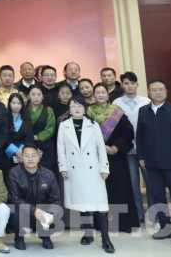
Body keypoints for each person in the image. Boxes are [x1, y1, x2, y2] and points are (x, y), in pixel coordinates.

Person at [136, 79, 171, 243]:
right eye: (154, 90)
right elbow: (140, 135)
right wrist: (141, 156)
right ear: (149, 93)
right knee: (157, 196)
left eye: (161, 89)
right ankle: (165, 228)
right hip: (151, 162)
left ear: (166, 91)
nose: (158, 92)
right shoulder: (143, 111)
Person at [57, 97, 113, 253]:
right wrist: (63, 167)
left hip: (93, 169)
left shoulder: (93, 125)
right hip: (74, 169)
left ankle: (106, 238)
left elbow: (100, 147)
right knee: (82, 203)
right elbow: (61, 148)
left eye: (80, 106)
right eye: (73, 106)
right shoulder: (64, 125)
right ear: (69, 109)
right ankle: (88, 233)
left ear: (85, 108)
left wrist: (104, 167)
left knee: (99, 204)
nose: (76, 109)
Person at [88, 83, 139, 232]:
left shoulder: (117, 112)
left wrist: (117, 146)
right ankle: (101, 224)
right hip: (96, 156)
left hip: (116, 156)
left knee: (120, 188)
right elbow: (87, 135)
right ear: (93, 95)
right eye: (97, 92)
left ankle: (122, 223)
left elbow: (128, 132)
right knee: (101, 189)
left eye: (103, 92)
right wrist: (103, 147)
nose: (101, 95)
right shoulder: (88, 112)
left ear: (108, 94)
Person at [112, 71, 151, 226]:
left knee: (151, 183)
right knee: (133, 184)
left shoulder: (146, 101)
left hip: (146, 149)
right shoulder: (116, 103)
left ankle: (154, 215)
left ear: (137, 85)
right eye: (126, 83)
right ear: (122, 85)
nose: (130, 86)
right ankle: (139, 216)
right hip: (127, 149)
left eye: (132, 83)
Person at [7, 145, 60, 251]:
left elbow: (55, 199)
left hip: (43, 209)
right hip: (23, 210)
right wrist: (35, 211)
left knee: (59, 216)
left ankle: (45, 234)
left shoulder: (48, 174)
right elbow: (15, 198)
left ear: (39, 157)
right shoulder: (14, 173)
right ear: (21, 158)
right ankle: (19, 236)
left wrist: (51, 214)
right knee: (15, 214)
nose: (30, 159)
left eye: (33, 155)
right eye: (27, 156)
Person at [0, 93, 33, 176]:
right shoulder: (4, 117)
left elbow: (29, 137)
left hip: (23, 152)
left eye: (19, 103)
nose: (16, 106)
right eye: (13, 103)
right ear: (9, 104)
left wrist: (21, 151)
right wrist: (15, 150)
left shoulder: (27, 118)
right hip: (7, 152)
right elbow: (4, 136)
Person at [25, 86, 57, 174]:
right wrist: (29, 138)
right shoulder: (23, 110)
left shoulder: (49, 110)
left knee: (46, 173)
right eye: (33, 94)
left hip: (45, 146)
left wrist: (35, 137)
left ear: (43, 97)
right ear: (28, 96)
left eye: (39, 95)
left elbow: (50, 129)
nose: (36, 97)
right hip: (27, 144)